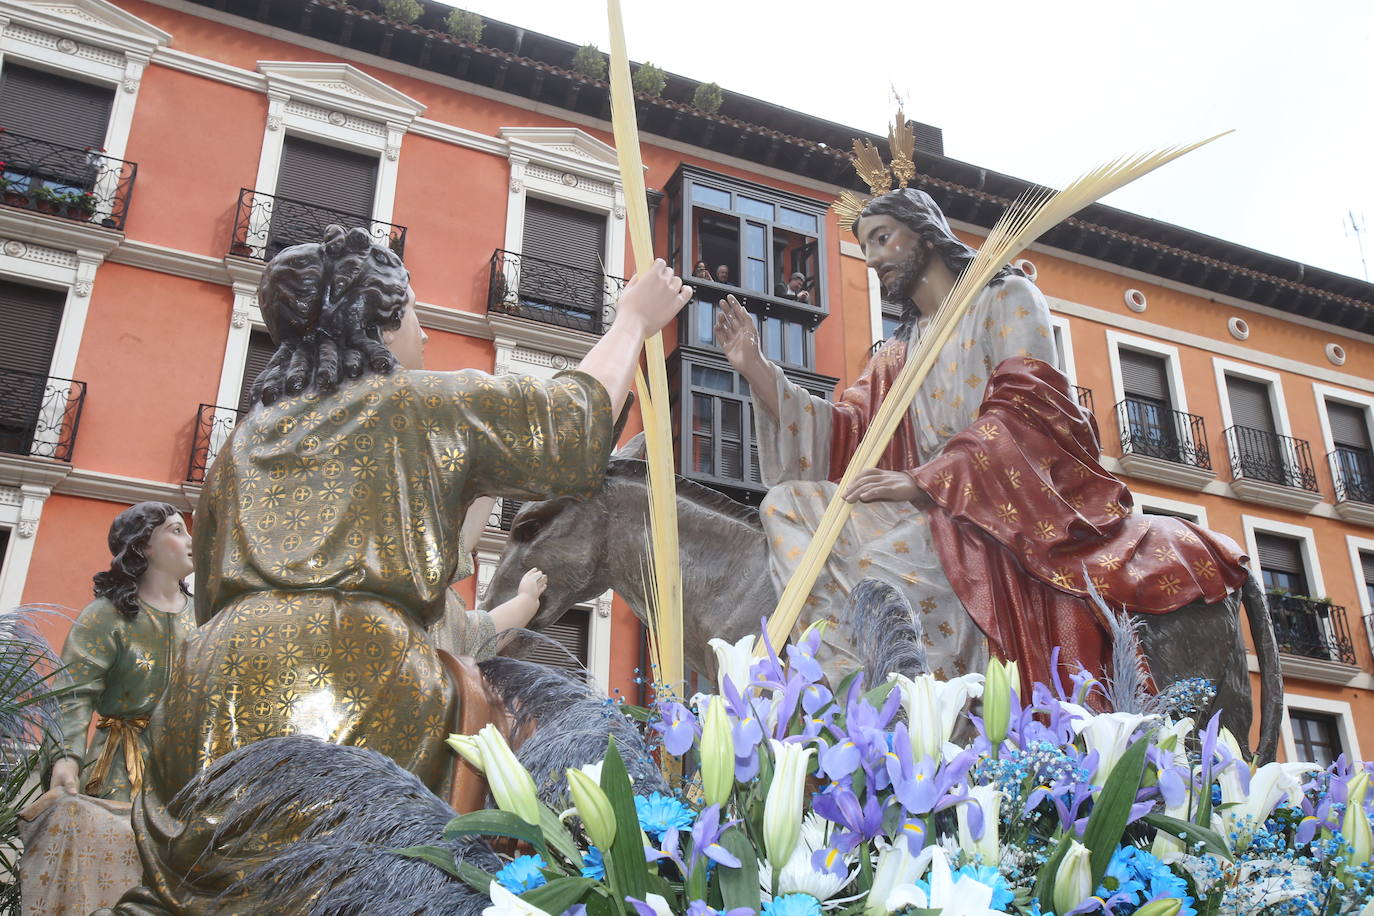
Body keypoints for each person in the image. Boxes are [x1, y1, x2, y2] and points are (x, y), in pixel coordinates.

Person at [108, 226, 690, 914]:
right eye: (414, 313)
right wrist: (633, 320)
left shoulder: (243, 440)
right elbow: (566, 425)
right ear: (381, 325)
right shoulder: (414, 404)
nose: (426, 337)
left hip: (206, 685)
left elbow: (205, 591)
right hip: (353, 667)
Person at [716, 188, 1247, 689]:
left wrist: (925, 480)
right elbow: (844, 431)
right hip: (915, 503)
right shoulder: (896, 354)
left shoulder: (1007, 299)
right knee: (785, 504)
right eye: (865, 245)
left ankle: (926, 693)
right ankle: (839, 678)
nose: (873, 259)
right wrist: (757, 368)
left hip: (985, 505)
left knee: (879, 561)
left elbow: (1028, 410)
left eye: (882, 238)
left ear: (925, 235)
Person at [20, 502, 195, 914]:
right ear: (144, 548)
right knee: (119, 874)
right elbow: (73, 694)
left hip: (188, 770)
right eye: (176, 530)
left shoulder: (204, 616)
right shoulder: (105, 617)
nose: (189, 540)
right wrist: (65, 759)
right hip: (118, 766)